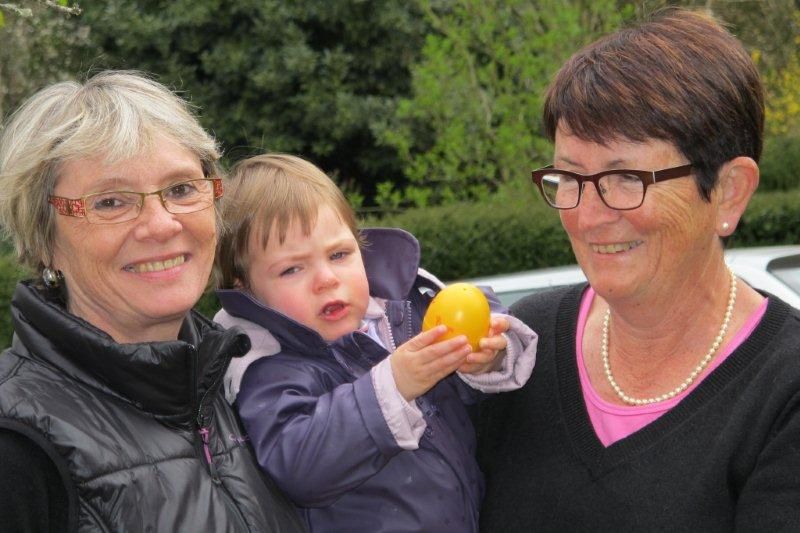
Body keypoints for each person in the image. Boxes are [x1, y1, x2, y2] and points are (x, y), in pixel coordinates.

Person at [475, 8, 800, 531]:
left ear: (728, 191)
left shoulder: (785, 387)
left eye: (625, 178)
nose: (586, 216)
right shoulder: (520, 349)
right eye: (569, 177)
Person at [0, 71, 305, 532]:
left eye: (181, 189)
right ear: (43, 238)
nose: (161, 225)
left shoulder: (245, 383)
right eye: (110, 202)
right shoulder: (15, 446)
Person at [212, 153, 538, 532]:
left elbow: (488, 322)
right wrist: (392, 387)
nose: (327, 279)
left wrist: (488, 358)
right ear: (246, 289)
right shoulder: (268, 366)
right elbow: (298, 464)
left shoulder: (408, 309)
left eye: (339, 254)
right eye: (292, 269)